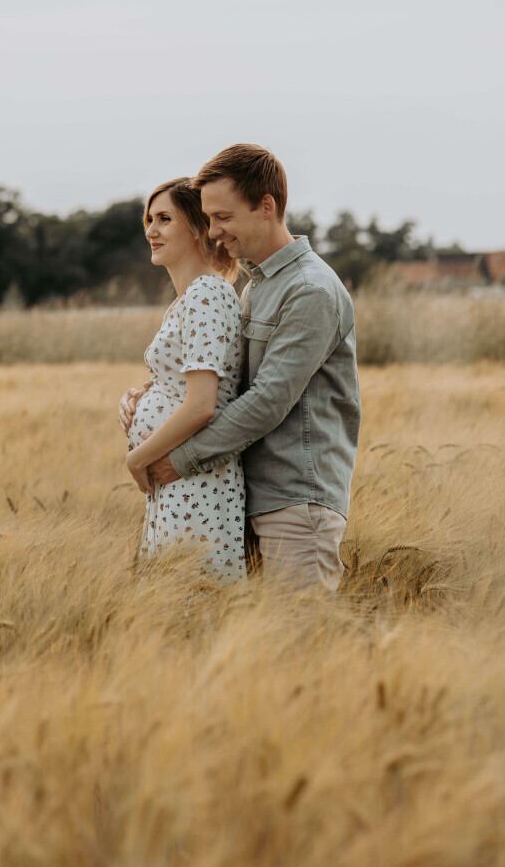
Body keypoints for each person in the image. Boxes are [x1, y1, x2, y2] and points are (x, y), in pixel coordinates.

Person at [123, 144, 360, 592]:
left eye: (223, 218)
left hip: (295, 498)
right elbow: (227, 380)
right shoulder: (256, 287)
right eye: (209, 219)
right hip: (252, 495)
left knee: (301, 642)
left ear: (266, 206)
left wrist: (179, 460)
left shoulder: (309, 290)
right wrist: (149, 394)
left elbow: (267, 400)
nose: (213, 232)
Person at [120, 177, 246, 581]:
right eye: (148, 220)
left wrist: (137, 457)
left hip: (197, 486)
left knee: (192, 606)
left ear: (196, 227)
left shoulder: (206, 294)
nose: (150, 231)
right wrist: (141, 397)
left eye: (164, 219)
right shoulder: (187, 299)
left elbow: (201, 404)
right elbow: (181, 385)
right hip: (176, 485)